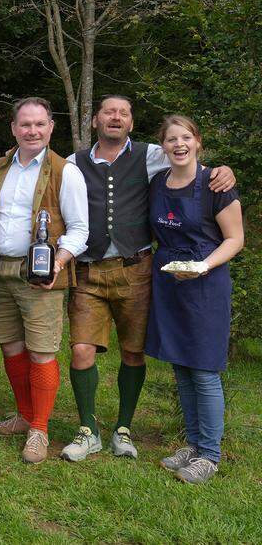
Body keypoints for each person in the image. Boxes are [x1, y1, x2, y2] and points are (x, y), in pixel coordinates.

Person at [60, 95, 236, 463]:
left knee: (134, 351)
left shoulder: (150, 155)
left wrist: (223, 169)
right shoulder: (74, 163)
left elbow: (188, 159)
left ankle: (124, 429)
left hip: (137, 268)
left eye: (123, 113)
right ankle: (88, 430)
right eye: (109, 112)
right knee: (80, 350)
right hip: (90, 270)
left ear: (131, 122)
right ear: (95, 120)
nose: (116, 117)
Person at [0, 97, 89, 464]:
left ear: (51, 127)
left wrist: (58, 262)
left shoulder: (65, 171)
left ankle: (39, 429)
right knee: (11, 347)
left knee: (42, 349)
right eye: (25, 125)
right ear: (13, 128)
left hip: (40, 276)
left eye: (40, 124)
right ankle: (24, 415)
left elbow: (79, 230)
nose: (32, 131)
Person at [147, 116, 243, 485]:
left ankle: (210, 455)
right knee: (181, 366)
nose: (179, 144)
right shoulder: (159, 182)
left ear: (198, 142)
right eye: (171, 139)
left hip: (205, 282)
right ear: (164, 147)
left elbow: (234, 238)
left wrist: (202, 266)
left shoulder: (215, 184)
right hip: (169, 280)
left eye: (185, 137)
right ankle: (192, 443)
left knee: (203, 369)